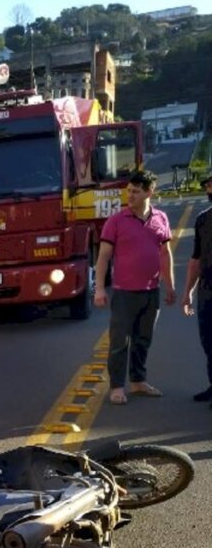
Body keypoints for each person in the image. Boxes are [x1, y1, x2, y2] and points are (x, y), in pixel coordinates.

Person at [94, 169, 175, 405]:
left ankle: (138, 381)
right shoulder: (116, 221)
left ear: (150, 192)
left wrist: (169, 286)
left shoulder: (160, 218)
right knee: (120, 342)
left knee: (143, 340)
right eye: (129, 191)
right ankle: (117, 387)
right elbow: (103, 257)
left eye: (136, 192)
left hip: (151, 291)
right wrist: (99, 288)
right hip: (124, 293)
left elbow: (165, 254)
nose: (130, 195)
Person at [181, 172, 212, 402]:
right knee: (208, 341)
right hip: (207, 291)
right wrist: (188, 292)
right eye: (208, 186)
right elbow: (195, 259)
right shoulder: (203, 219)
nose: (210, 190)